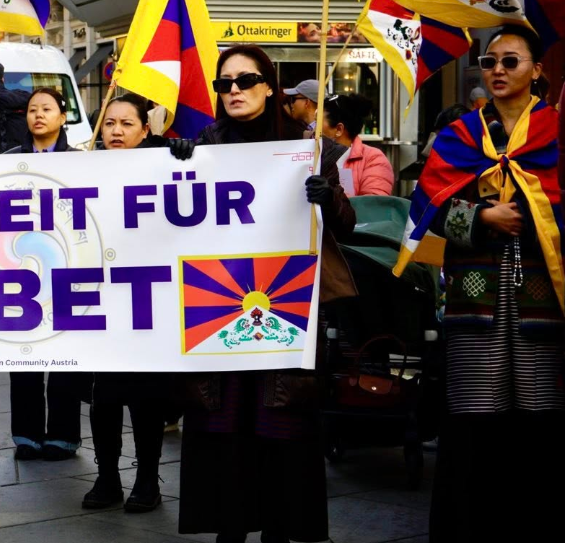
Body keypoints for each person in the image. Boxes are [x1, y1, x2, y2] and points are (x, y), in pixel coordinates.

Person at [175, 45, 357, 543]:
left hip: (287, 309)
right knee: (225, 430)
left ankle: (279, 530)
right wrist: (177, 169)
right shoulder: (203, 145)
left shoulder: (308, 147)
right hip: (217, 308)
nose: (233, 90)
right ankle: (230, 531)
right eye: (224, 83)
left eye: (245, 80)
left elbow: (346, 226)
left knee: (279, 425)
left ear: (271, 86)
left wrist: (329, 196)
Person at [413, 25, 565, 542]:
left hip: (543, 298)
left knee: (540, 414)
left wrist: (532, 210)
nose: (497, 70)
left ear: (537, 70)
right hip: (472, 298)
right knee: (474, 415)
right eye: (489, 60)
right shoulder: (459, 136)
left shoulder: (558, 132)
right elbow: (428, 208)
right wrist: (481, 217)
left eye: (511, 61)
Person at [83, 93, 192, 512]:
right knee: (104, 395)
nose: (115, 131)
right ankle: (107, 476)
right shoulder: (83, 168)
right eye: (109, 123)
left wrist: (181, 154)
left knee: (147, 397)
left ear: (146, 130)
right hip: (102, 295)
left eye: (127, 124)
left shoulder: (164, 162)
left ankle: (147, 478)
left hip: (150, 295)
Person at [2, 87, 91, 460]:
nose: (38, 115)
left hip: (68, 267)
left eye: (47, 109)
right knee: (23, 356)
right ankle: (26, 434)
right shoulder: (7, 159)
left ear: (62, 115)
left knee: (64, 355)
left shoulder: (81, 161)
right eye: (33, 109)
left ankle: (63, 436)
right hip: (20, 267)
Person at [321, 93, 395, 196]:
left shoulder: (373, 159)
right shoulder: (313, 156)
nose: (312, 129)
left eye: (318, 122)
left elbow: (372, 206)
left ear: (339, 129)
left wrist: (332, 198)